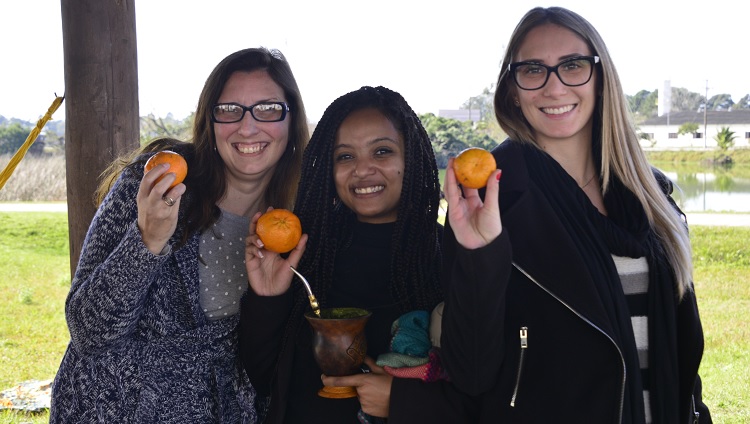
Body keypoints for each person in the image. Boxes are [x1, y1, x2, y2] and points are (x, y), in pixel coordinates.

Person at [439, 7, 712, 424]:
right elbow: (470, 374)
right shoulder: (488, 200)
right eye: (533, 69)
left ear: (600, 79)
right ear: (512, 89)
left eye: (572, 65)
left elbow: (681, 361)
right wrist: (479, 254)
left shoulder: (652, 197)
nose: (554, 87)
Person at [50, 47, 309, 423]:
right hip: (113, 408)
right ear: (210, 119)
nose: (248, 127)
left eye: (268, 109)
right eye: (229, 109)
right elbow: (89, 332)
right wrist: (146, 241)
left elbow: (283, 357)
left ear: (292, 118)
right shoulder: (157, 183)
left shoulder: (301, 220)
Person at [239, 86, 474, 423]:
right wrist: (268, 297)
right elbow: (262, 380)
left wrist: (403, 402)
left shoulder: (450, 257)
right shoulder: (303, 254)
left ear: (411, 158)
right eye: (345, 156)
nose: (363, 170)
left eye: (382, 151)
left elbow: (482, 392)